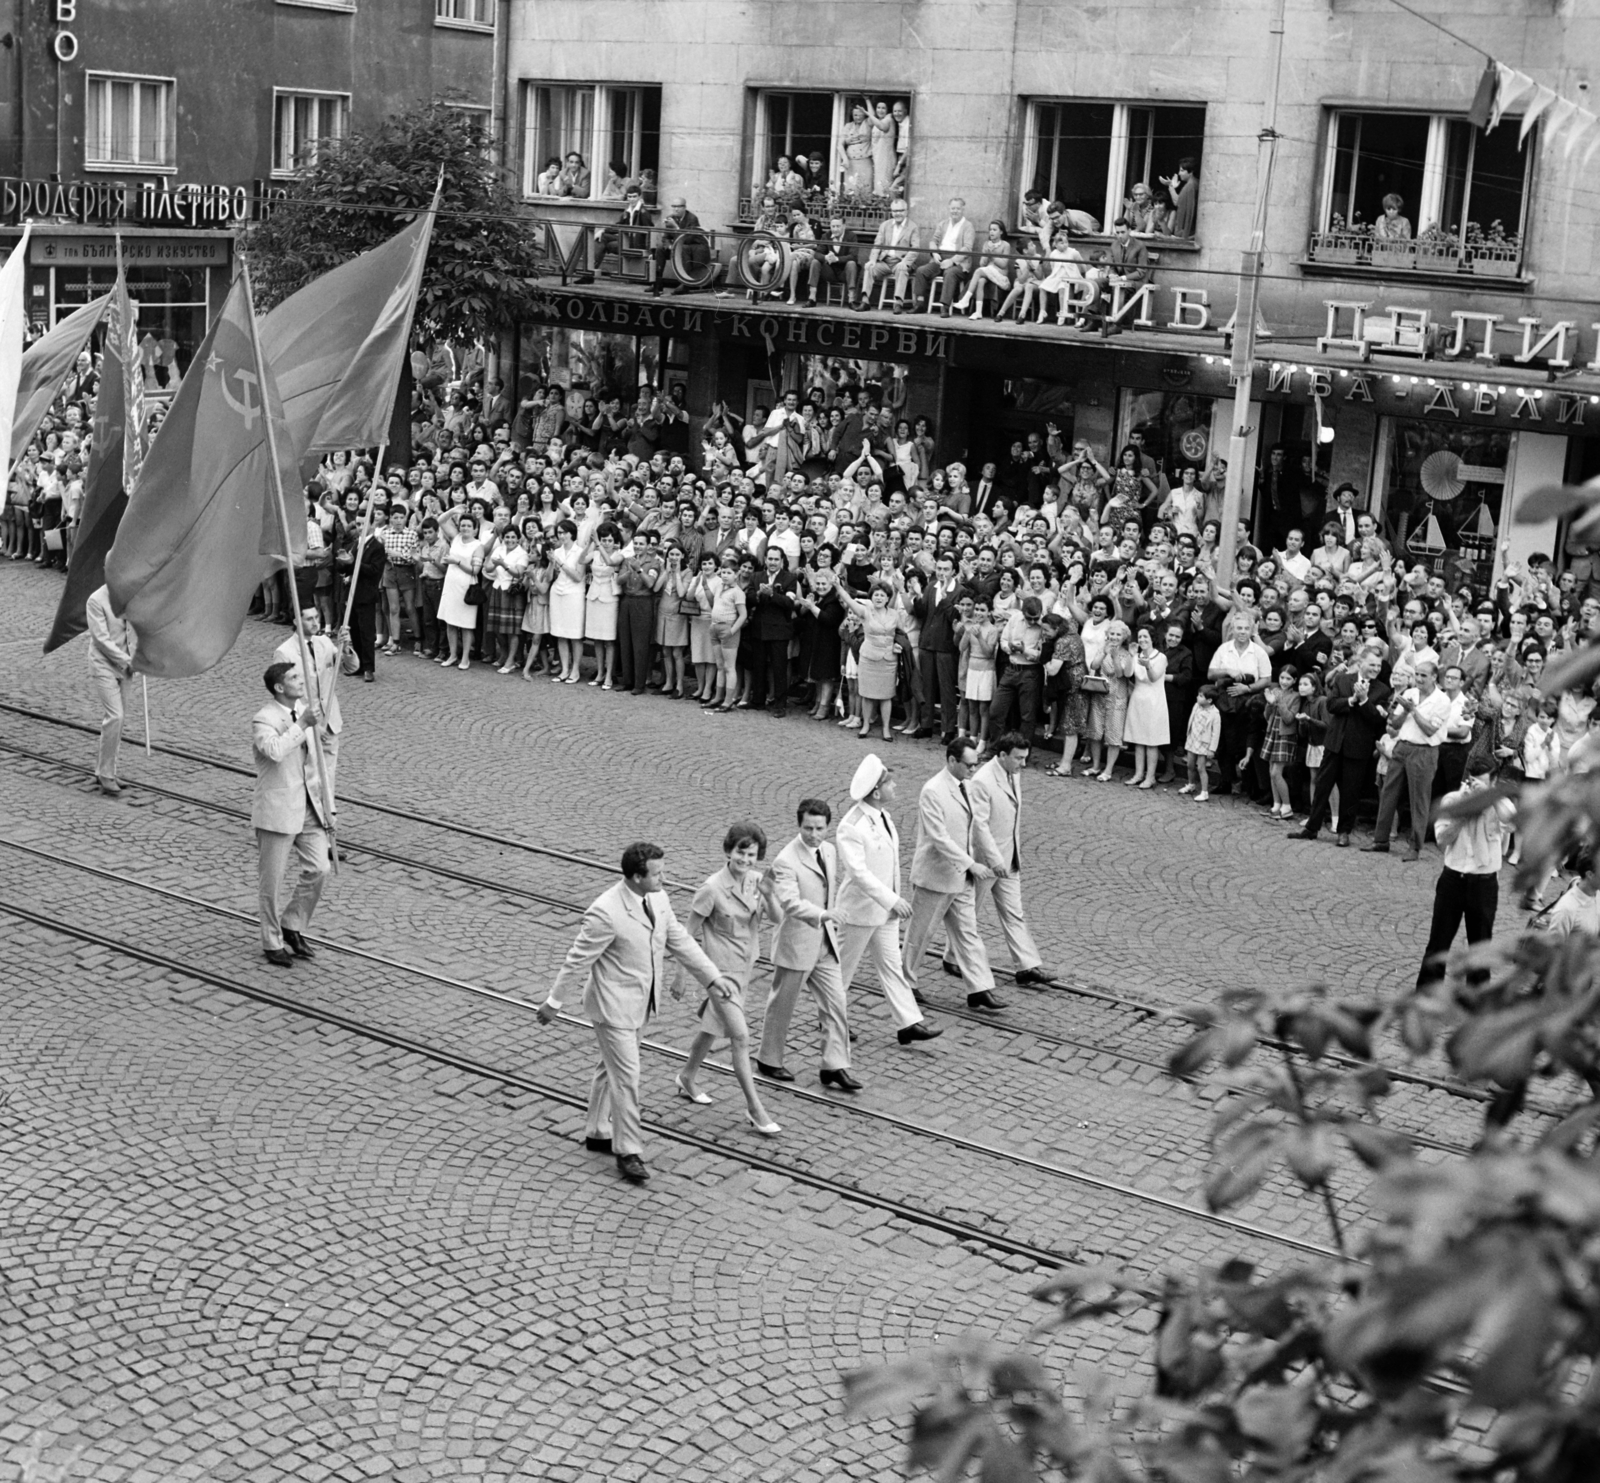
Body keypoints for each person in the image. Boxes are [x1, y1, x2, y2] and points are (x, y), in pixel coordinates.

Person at [537, 842, 736, 1185]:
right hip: (612, 1007)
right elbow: (577, 959)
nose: (664, 878)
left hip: (641, 1003)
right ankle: (628, 1150)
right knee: (627, 1076)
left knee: (609, 1068)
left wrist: (713, 978)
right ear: (635, 876)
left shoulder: (657, 899)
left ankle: (598, 1129)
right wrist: (554, 1002)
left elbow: (680, 942)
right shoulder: (606, 911)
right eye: (657, 873)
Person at [670, 822, 783, 1137]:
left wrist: (770, 896)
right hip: (718, 976)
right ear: (728, 851)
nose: (746, 860)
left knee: (711, 1028)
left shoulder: (757, 882)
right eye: (741, 853)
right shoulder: (712, 888)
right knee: (740, 1037)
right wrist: (681, 974)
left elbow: (776, 919)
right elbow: (685, 934)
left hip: (743, 971)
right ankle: (755, 1109)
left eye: (752, 854)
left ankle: (687, 1076)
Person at [835, 754, 942, 1063]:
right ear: (877, 791)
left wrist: (892, 901)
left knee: (892, 966)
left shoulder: (883, 816)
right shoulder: (851, 826)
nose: (896, 786)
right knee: (842, 970)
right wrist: (892, 899)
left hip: (884, 912)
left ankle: (908, 1023)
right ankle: (831, 1016)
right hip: (859, 911)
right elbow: (859, 874)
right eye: (890, 782)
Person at [941, 733, 1057, 986]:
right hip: (986, 862)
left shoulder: (1013, 772)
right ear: (1002, 755)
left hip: (1009, 857)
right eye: (1018, 758)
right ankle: (951, 956)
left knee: (1014, 912)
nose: (1023, 764)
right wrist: (994, 860)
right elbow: (979, 826)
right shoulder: (982, 780)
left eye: (1025, 758)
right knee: (969, 912)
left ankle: (1027, 966)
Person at [900, 735, 1006, 1012]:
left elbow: (978, 826)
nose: (974, 770)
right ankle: (905, 982)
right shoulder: (933, 791)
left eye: (976, 764)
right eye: (969, 765)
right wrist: (971, 864)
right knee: (920, 935)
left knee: (968, 933)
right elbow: (939, 837)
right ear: (951, 761)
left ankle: (979, 988)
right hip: (935, 876)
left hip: (961, 878)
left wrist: (994, 860)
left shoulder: (967, 787)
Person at [757, 798, 852, 1085]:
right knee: (782, 1006)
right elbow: (790, 903)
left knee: (836, 1003)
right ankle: (768, 1059)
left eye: (819, 828)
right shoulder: (786, 860)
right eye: (808, 828)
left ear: (827, 827)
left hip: (825, 944)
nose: (813, 834)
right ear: (799, 825)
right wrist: (824, 914)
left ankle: (834, 1065)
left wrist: (828, 919)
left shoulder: (830, 851)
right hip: (797, 944)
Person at [252, 661, 333, 969]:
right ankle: (271, 941)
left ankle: (293, 922)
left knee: (319, 868)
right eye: (294, 677)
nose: (301, 681)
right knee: (271, 882)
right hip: (278, 809)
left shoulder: (305, 713)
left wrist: (328, 807)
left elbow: (316, 764)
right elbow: (274, 750)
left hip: (309, 808)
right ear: (279, 687)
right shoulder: (264, 718)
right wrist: (302, 726)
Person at [1415, 757, 1516, 986]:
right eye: (1473, 782)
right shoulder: (1453, 801)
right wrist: (1464, 813)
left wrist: (1490, 796)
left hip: (1484, 883)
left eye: (1481, 784)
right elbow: (1442, 840)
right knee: (1438, 943)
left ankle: (1476, 1000)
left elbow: (1512, 823)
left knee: (1481, 947)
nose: (1475, 789)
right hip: (1453, 879)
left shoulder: (1500, 804)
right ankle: (1426, 997)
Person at [1291, 642, 1389, 847]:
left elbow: (1375, 720)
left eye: (1378, 666)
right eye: (1372, 665)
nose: (1375, 669)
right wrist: (1352, 700)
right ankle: (1312, 827)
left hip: (1358, 747)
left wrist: (1364, 702)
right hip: (1335, 743)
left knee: (1350, 792)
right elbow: (1332, 705)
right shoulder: (1344, 680)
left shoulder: (1382, 690)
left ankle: (1344, 831)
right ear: (1361, 663)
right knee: (1322, 785)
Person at [1364, 659, 1451, 861]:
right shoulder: (1409, 693)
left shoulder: (1442, 700)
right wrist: (1403, 710)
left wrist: (1412, 710)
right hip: (1402, 746)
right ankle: (1380, 840)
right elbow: (1393, 722)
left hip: (1424, 751)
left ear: (1434, 677)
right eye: (1417, 674)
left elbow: (1430, 730)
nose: (1419, 679)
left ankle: (1415, 846)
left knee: (1418, 799)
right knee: (1388, 793)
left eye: (1423, 675)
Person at [272, 609, 358, 797]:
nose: (315, 622)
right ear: (296, 620)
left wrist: (346, 648)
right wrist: (310, 727)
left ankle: (326, 819)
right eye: (309, 619)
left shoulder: (325, 643)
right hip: (305, 728)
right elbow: (284, 699)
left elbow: (349, 667)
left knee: (327, 779)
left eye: (317, 617)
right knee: (305, 780)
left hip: (330, 724)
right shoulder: (284, 652)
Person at [85, 583, 137, 797]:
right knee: (115, 716)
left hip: (126, 668)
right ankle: (105, 775)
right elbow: (101, 640)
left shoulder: (131, 596)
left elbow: (138, 629)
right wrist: (126, 661)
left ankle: (107, 770)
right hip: (104, 664)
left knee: (119, 720)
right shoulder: (96, 600)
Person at [857, 199, 920, 311]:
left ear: (906, 211)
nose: (898, 213)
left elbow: (915, 249)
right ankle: (865, 301)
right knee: (869, 267)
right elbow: (877, 244)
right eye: (895, 211)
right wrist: (872, 260)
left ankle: (898, 303)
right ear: (891, 212)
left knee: (901, 269)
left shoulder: (913, 227)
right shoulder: (885, 225)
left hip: (901, 261)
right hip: (885, 262)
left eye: (901, 210)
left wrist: (905, 262)